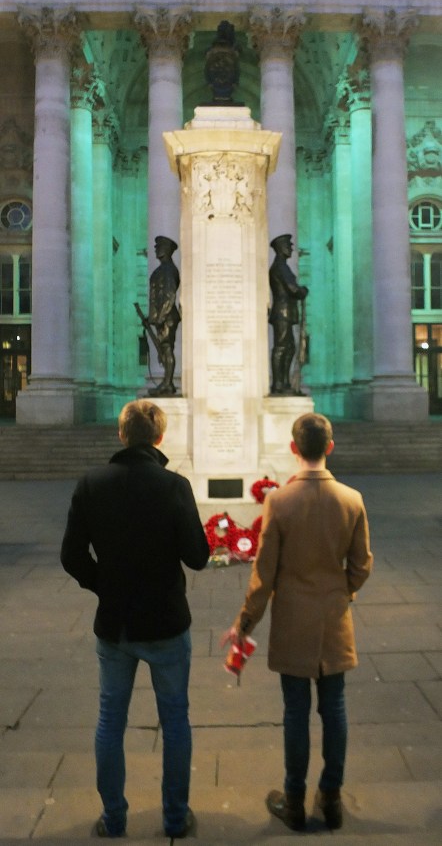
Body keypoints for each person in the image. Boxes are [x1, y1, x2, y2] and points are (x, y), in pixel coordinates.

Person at [60, 399, 209, 839]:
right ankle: (175, 817)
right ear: (160, 438)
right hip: (166, 622)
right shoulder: (174, 485)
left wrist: (103, 584)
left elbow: (71, 556)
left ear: (121, 435)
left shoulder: (92, 483)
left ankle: (114, 817)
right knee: (176, 719)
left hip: (115, 624)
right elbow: (197, 557)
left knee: (110, 721)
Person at [222, 412, 373, 832]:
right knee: (335, 708)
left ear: (293, 448)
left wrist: (244, 624)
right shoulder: (352, 499)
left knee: (295, 712)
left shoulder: (279, 501)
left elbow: (263, 573)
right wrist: (343, 591)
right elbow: (361, 565)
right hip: (334, 619)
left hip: (292, 620)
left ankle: (293, 800)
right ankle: (331, 796)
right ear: (329, 446)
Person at [269, 234, 309, 395]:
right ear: (281, 248)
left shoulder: (282, 266)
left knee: (289, 347)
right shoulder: (280, 267)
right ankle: (278, 384)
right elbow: (292, 288)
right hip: (282, 312)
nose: (291, 248)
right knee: (282, 347)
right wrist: (303, 290)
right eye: (288, 245)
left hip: (286, 312)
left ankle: (284, 383)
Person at [146, 235, 181, 396]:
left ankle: (168, 383)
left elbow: (169, 295)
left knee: (166, 348)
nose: (155, 249)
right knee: (165, 348)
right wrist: (152, 317)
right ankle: (168, 383)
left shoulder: (168, 270)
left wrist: (159, 317)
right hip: (163, 316)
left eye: (158, 247)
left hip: (167, 317)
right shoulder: (164, 269)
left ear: (165, 250)